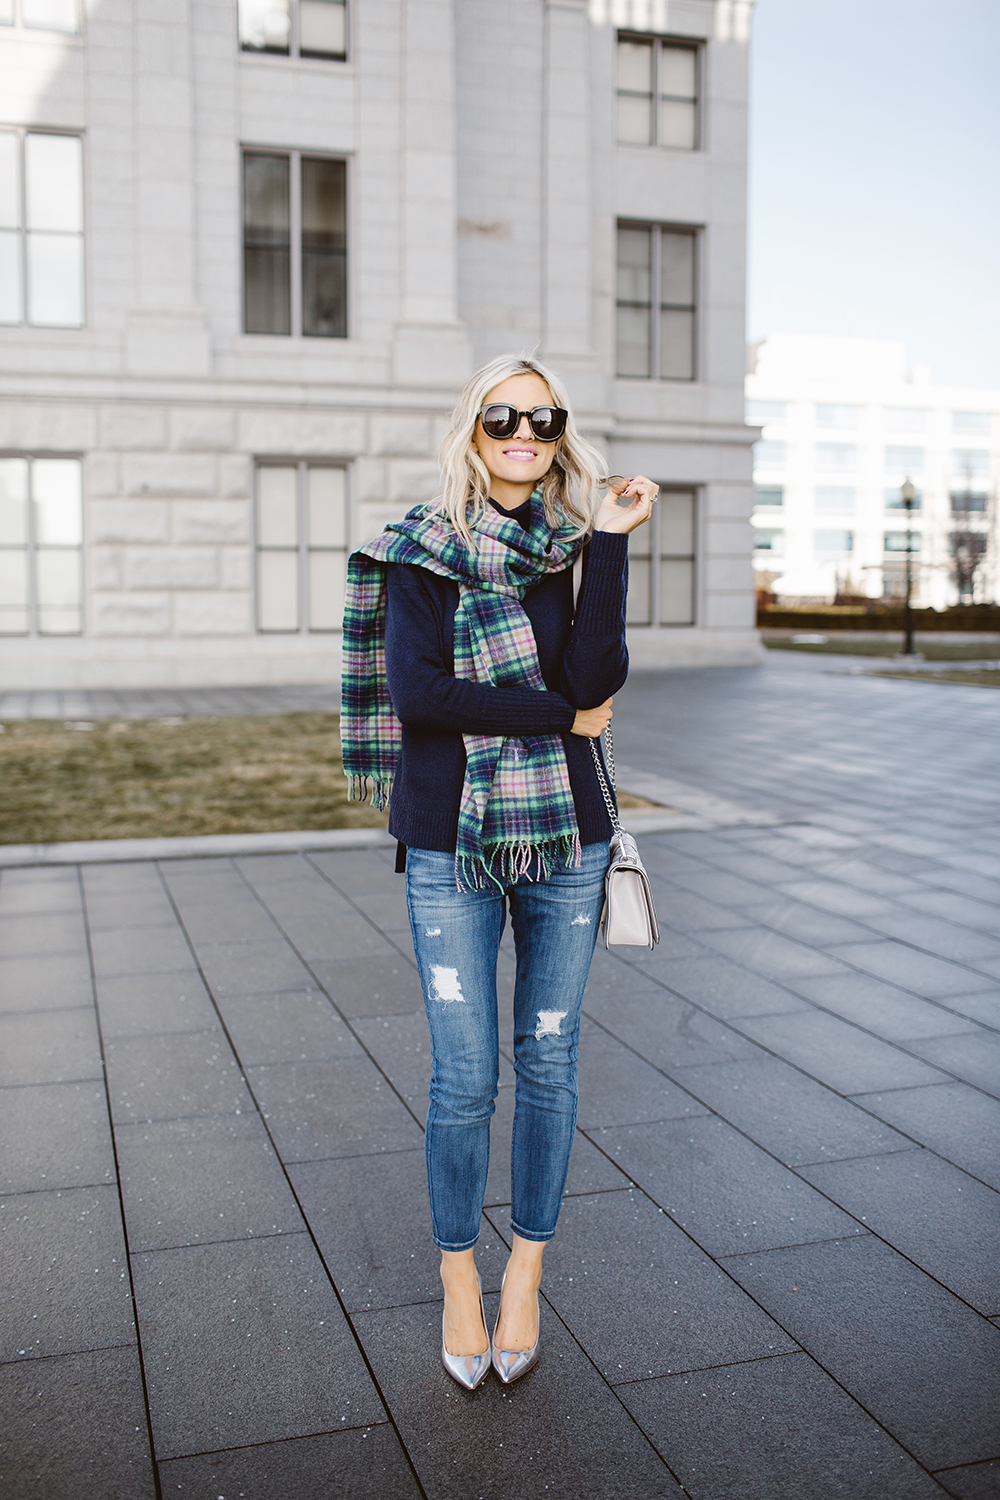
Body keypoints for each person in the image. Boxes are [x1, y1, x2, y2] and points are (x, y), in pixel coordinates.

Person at [341, 354, 656, 1388]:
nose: (524, 430)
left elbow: (597, 673)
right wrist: (558, 716)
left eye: (543, 416)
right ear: (470, 427)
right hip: (448, 837)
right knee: (465, 1077)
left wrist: (606, 547)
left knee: (550, 1063)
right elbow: (422, 696)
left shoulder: (571, 548)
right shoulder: (419, 551)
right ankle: (458, 1280)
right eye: (502, 415)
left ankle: (523, 1269)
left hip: (566, 837)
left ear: (559, 432)